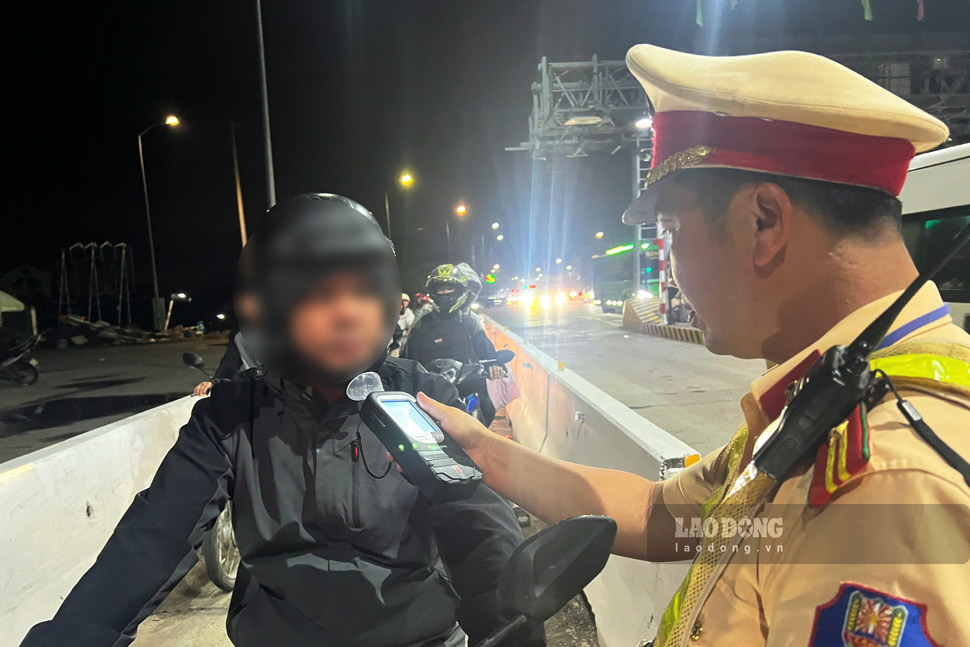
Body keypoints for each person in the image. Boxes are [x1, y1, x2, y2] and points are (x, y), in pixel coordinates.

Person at [409, 46, 970, 646]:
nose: (671, 267)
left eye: (672, 231)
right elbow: (658, 515)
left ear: (764, 222)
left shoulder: (886, 481)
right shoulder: (831, 395)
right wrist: (482, 450)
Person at [21, 194, 540, 647]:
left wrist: (510, 627)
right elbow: (150, 542)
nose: (347, 313)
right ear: (274, 308)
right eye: (318, 295)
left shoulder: (423, 396)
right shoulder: (231, 414)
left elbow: (476, 525)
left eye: (363, 290)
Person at [401, 264, 505, 425]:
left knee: (483, 413)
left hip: (466, 387)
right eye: (440, 289)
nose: (444, 293)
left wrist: (495, 363)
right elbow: (407, 356)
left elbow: (485, 348)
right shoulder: (421, 322)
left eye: (449, 288)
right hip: (429, 391)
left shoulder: (470, 321)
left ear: (460, 291)